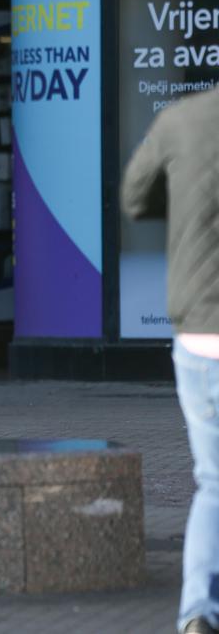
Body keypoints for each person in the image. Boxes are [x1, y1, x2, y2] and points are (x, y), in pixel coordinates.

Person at [122, 86, 219, 634]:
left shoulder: (179, 120)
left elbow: (136, 199)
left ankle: (197, 612)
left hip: (201, 334)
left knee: (213, 482)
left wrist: (184, 199)